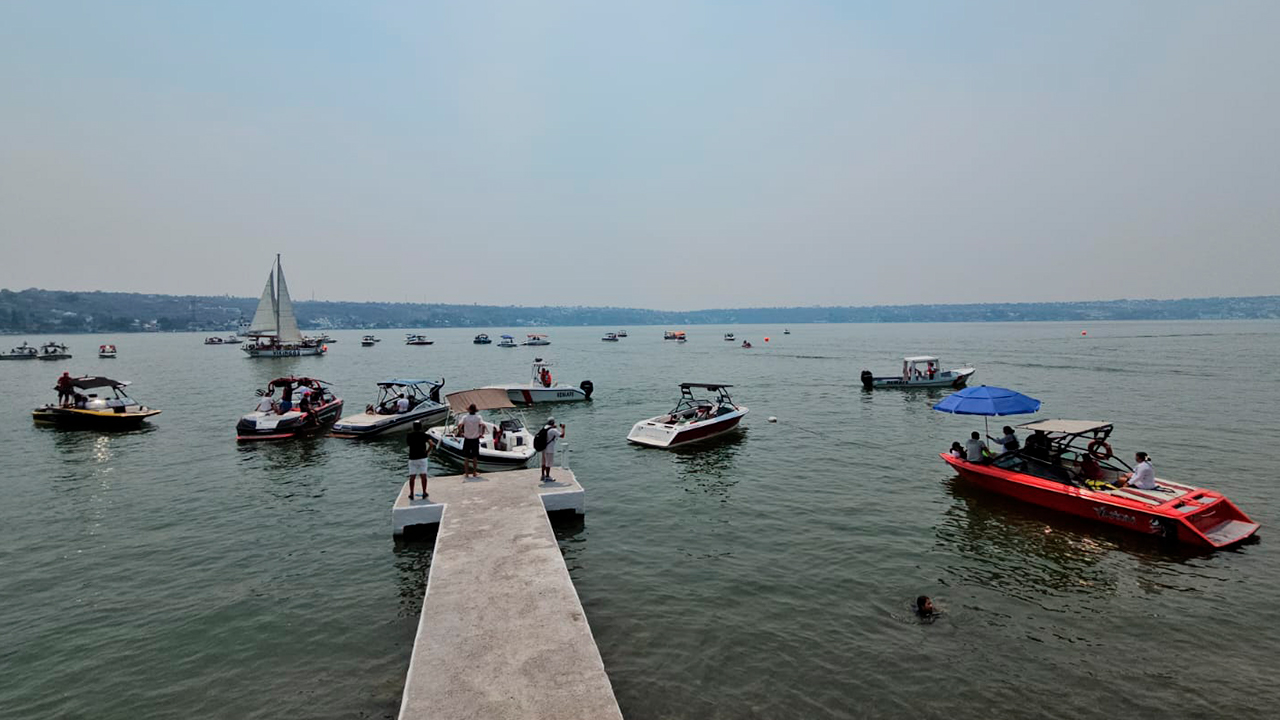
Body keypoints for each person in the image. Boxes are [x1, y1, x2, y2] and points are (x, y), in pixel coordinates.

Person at [457, 403, 484, 478]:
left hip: (467, 438)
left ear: (469, 410)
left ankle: (466, 473)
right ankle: (474, 472)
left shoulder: (465, 417)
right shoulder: (478, 417)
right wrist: (481, 433)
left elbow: (459, 425)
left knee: (466, 457)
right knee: (475, 457)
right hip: (475, 439)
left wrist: (461, 432)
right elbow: (483, 425)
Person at [406, 420, 431, 499]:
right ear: (421, 427)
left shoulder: (409, 435)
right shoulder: (424, 435)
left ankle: (411, 493)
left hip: (412, 457)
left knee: (412, 476)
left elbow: (408, 444)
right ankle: (424, 492)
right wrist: (427, 452)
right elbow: (431, 444)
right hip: (422, 457)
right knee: (423, 475)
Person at [540, 418, 564, 482]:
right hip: (549, 449)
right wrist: (563, 428)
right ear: (553, 423)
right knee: (548, 463)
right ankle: (547, 476)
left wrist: (554, 428)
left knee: (544, 462)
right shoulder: (553, 430)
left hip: (543, 448)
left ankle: (542, 475)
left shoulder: (545, 428)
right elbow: (562, 435)